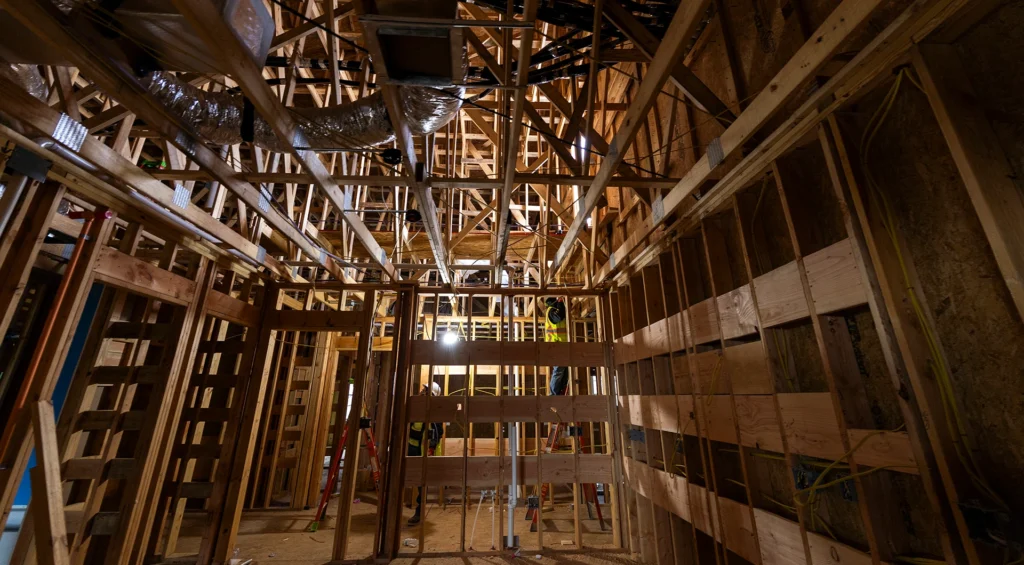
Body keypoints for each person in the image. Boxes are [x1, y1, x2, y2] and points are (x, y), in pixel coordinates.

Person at [407, 382, 443, 525]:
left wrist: (432, 445)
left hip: (424, 451)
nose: (421, 391)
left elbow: (438, 431)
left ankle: (419, 513)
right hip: (412, 448)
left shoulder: (435, 411)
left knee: (421, 484)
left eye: (425, 390)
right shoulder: (417, 407)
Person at [544, 297, 568, 396]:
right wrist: (560, 303)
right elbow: (559, 316)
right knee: (558, 370)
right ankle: (553, 394)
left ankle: (560, 390)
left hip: (560, 345)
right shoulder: (551, 311)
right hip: (555, 345)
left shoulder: (553, 311)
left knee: (563, 370)